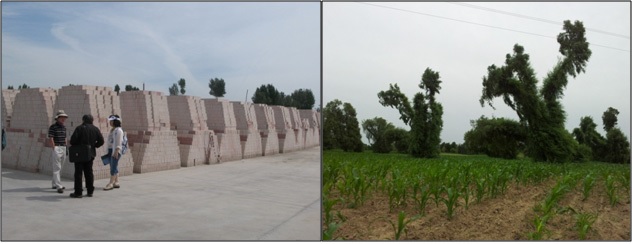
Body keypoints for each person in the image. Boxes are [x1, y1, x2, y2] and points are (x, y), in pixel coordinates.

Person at [69, 114, 104, 198]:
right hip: (90, 154)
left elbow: (72, 141)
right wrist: (93, 146)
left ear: (83, 120)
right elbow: (101, 141)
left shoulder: (79, 128)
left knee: (78, 173)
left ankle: (78, 192)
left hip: (79, 154)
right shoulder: (95, 129)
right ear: (92, 120)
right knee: (89, 173)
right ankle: (90, 191)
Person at [48, 110, 69, 193]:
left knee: (60, 167)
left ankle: (54, 183)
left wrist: (66, 146)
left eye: (64, 117)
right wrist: (54, 148)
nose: (63, 119)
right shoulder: (53, 127)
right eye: (62, 117)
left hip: (63, 147)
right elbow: (51, 138)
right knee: (57, 167)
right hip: (57, 147)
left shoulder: (64, 127)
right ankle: (58, 186)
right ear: (58, 118)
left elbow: (65, 137)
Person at [104, 115, 123, 190]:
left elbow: (119, 141)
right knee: (114, 165)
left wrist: (117, 151)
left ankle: (111, 183)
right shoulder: (113, 130)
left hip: (115, 151)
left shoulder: (118, 130)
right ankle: (116, 181)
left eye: (111, 121)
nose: (110, 122)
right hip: (110, 150)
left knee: (113, 167)